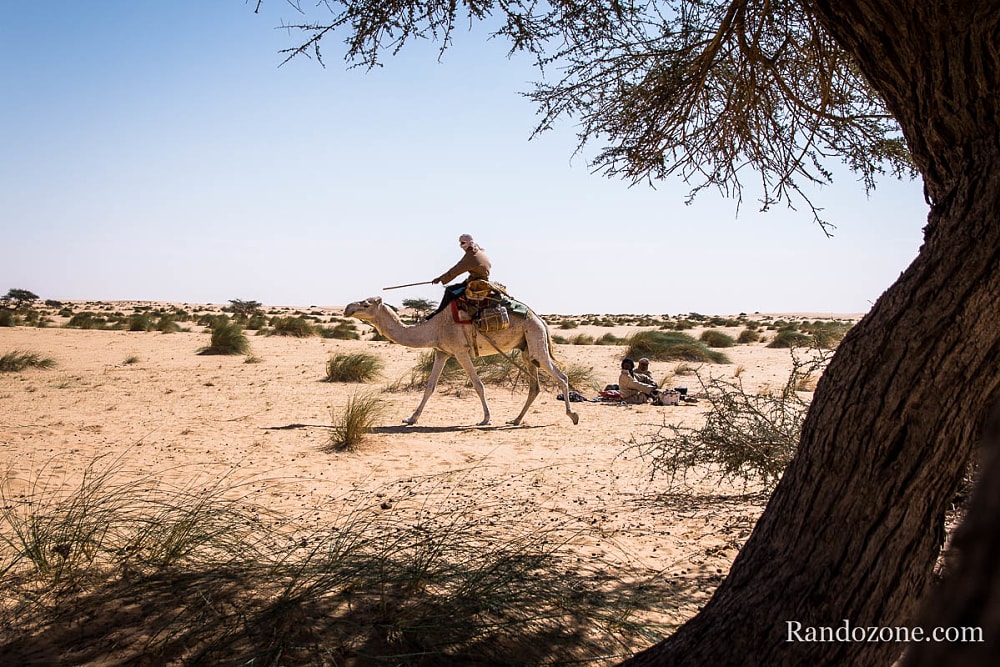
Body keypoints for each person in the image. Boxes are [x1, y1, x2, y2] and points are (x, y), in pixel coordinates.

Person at [425, 234, 492, 319]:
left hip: (477, 282)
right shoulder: (477, 251)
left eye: (463, 243)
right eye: (460, 243)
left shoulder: (471, 256)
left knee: (450, 291)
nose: (461, 246)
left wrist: (440, 279)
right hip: (477, 279)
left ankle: (438, 314)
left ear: (470, 243)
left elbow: (456, 270)